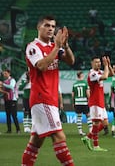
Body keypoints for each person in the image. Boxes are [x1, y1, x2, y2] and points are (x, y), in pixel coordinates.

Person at [22, 15, 75, 166]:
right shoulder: (33, 47)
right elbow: (41, 66)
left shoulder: (54, 46)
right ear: (39, 27)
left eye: (53, 26)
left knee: (35, 142)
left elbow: (71, 61)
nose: (51, 29)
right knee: (59, 136)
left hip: (50, 98)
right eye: (47, 25)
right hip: (42, 97)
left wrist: (65, 45)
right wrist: (57, 47)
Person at [81, 56, 114, 152]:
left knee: (105, 123)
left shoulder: (99, 72)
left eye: (99, 62)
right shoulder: (92, 74)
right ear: (92, 63)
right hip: (95, 102)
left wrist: (108, 65)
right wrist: (106, 66)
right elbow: (106, 77)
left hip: (101, 102)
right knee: (96, 123)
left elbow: (112, 74)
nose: (98, 63)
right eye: (96, 62)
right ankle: (95, 145)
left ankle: (88, 138)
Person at [0, 69, 20, 133]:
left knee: (14, 115)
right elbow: (4, 89)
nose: (4, 75)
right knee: (7, 115)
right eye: (4, 74)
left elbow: (11, 87)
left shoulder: (12, 80)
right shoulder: (5, 81)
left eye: (5, 73)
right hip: (6, 99)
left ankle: (18, 129)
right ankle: (9, 130)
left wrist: (3, 84)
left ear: (9, 73)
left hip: (12, 99)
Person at [72, 71, 92, 136]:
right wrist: (90, 100)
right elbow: (88, 93)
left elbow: (72, 95)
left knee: (79, 117)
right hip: (84, 102)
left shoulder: (74, 84)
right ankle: (91, 130)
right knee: (88, 115)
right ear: (81, 75)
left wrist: (73, 102)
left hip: (77, 102)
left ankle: (80, 131)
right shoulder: (85, 83)